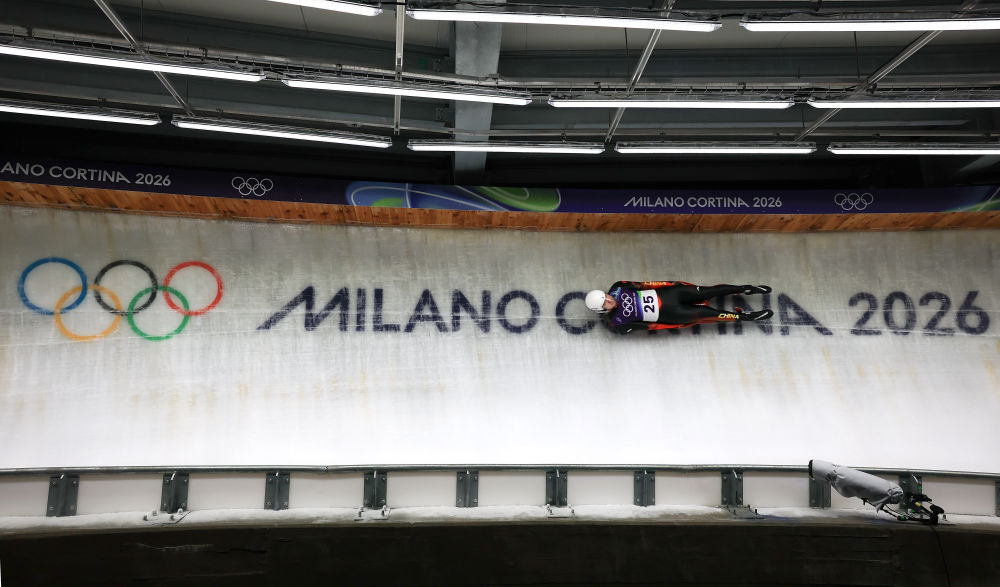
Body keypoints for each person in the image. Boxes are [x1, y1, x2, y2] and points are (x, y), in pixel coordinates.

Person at [584, 281, 773, 334]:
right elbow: (650, 326)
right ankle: (744, 317)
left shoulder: (618, 287)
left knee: (707, 291)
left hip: (671, 294)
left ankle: (745, 288)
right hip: (672, 314)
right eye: (605, 302)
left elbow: (646, 284)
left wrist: (671, 284)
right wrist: (675, 324)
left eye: (606, 296)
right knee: (706, 313)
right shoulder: (617, 323)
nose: (609, 300)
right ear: (602, 309)